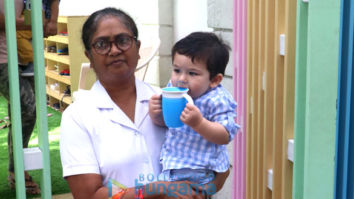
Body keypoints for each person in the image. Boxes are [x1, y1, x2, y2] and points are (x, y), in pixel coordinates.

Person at [60, 7, 229, 199]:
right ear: (89, 56)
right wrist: (158, 189)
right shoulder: (78, 116)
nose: (114, 50)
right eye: (101, 44)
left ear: (138, 48)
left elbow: (221, 168)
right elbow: (88, 195)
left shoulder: (171, 101)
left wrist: (206, 191)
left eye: (123, 41)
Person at [149, 32, 239, 185]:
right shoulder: (173, 89)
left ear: (214, 80)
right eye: (177, 70)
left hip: (199, 171)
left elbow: (225, 135)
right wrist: (156, 115)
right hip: (171, 164)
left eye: (192, 73)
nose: (181, 79)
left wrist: (199, 123)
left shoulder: (216, 99)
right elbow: (169, 123)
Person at [0, 0, 59, 194]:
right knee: (27, 108)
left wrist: (51, 18)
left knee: (22, 112)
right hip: (3, 58)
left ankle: (17, 170)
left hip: (26, 55)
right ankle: (18, 170)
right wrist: (35, 22)